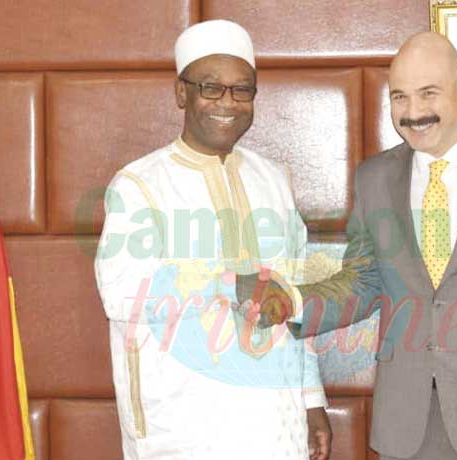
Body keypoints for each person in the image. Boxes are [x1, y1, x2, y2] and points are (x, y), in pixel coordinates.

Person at [242, 32, 457, 460]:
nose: (412, 113)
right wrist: (291, 303)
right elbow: (363, 283)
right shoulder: (374, 178)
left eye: (428, 93)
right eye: (400, 97)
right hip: (405, 422)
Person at [94, 19, 330, 460]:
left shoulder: (273, 180)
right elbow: (122, 294)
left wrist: (311, 400)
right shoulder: (140, 184)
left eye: (242, 90)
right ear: (182, 93)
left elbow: (294, 298)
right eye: (211, 88)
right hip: (185, 425)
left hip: (275, 422)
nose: (228, 102)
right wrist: (228, 285)